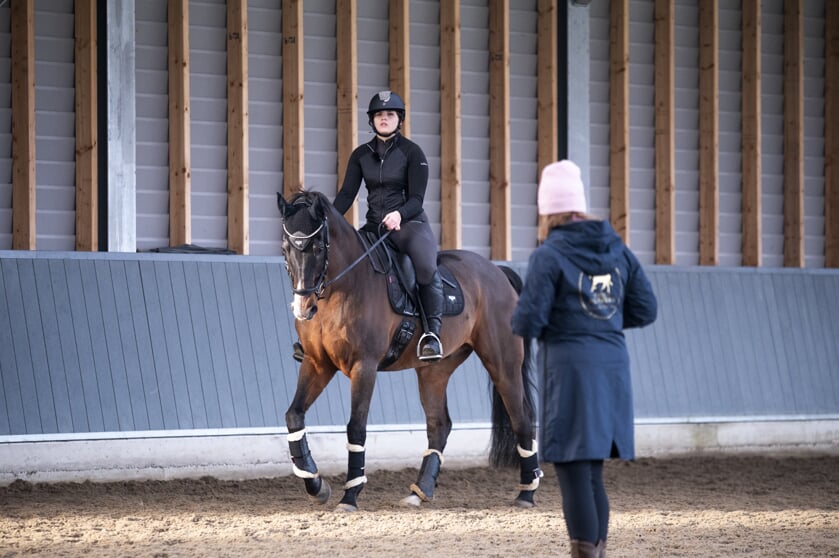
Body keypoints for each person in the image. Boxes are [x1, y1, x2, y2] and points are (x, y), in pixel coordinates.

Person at [511, 160, 658, 558]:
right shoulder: (618, 249)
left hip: (570, 371)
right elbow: (646, 309)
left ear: (548, 210)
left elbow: (529, 320)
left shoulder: (549, 254)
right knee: (592, 473)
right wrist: (602, 320)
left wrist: (569, 323)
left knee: (574, 474)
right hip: (612, 369)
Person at [294, 90, 443, 362]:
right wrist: (324, 220)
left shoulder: (413, 153)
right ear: (371, 121)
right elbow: (347, 195)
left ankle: (432, 333)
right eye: (378, 115)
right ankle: (315, 332)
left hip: (409, 225)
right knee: (334, 260)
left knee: (425, 266)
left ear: (400, 119)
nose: (384, 119)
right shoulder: (361, 155)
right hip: (375, 228)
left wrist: (399, 214)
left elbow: (418, 199)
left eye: (389, 115)